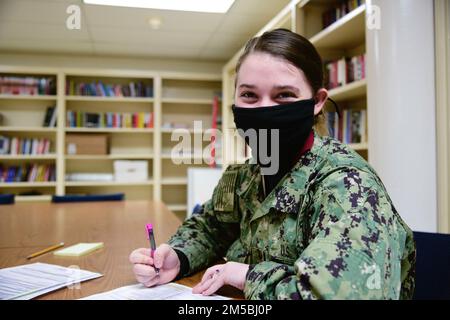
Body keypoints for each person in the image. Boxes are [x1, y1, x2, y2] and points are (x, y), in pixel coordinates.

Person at [129, 28, 416, 300]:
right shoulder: (245, 174)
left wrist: (247, 276)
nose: (264, 110)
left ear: (316, 101)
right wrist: (177, 257)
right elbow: (211, 227)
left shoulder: (347, 185)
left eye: (284, 95)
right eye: (249, 95)